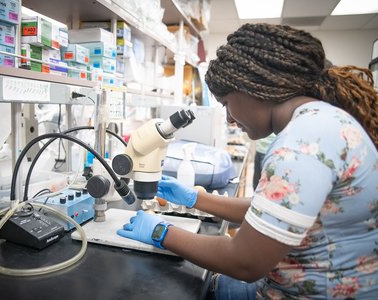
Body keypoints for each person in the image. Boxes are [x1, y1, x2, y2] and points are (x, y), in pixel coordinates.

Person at [117, 23, 378, 299]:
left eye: (227, 102)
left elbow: (245, 261)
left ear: (253, 88)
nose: (229, 118)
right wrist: (195, 198)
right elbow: (270, 213)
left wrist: (160, 231)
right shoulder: (319, 121)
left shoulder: (301, 144)